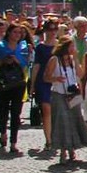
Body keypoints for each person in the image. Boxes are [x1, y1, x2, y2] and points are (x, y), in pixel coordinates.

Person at [43, 35, 87, 164]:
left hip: (73, 94)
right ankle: (63, 151)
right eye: (71, 46)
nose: (73, 49)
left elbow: (81, 74)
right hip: (59, 94)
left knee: (74, 120)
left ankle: (72, 149)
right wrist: (55, 79)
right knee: (62, 121)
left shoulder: (71, 60)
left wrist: (75, 58)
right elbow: (46, 77)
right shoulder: (54, 60)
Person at [0, 23, 29, 153]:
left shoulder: (23, 46)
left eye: (19, 33)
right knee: (3, 111)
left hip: (18, 83)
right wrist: (4, 60)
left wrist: (17, 60)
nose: (17, 35)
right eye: (15, 32)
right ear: (9, 33)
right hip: (4, 83)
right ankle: (3, 133)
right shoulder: (1, 46)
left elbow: (26, 64)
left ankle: (13, 142)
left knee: (16, 113)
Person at [31, 19, 59, 150]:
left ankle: (55, 136)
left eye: (54, 29)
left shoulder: (60, 46)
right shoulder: (40, 47)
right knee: (46, 111)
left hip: (57, 80)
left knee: (55, 111)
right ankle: (49, 140)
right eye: (50, 29)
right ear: (45, 31)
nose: (52, 32)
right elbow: (36, 66)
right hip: (42, 81)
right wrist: (32, 85)